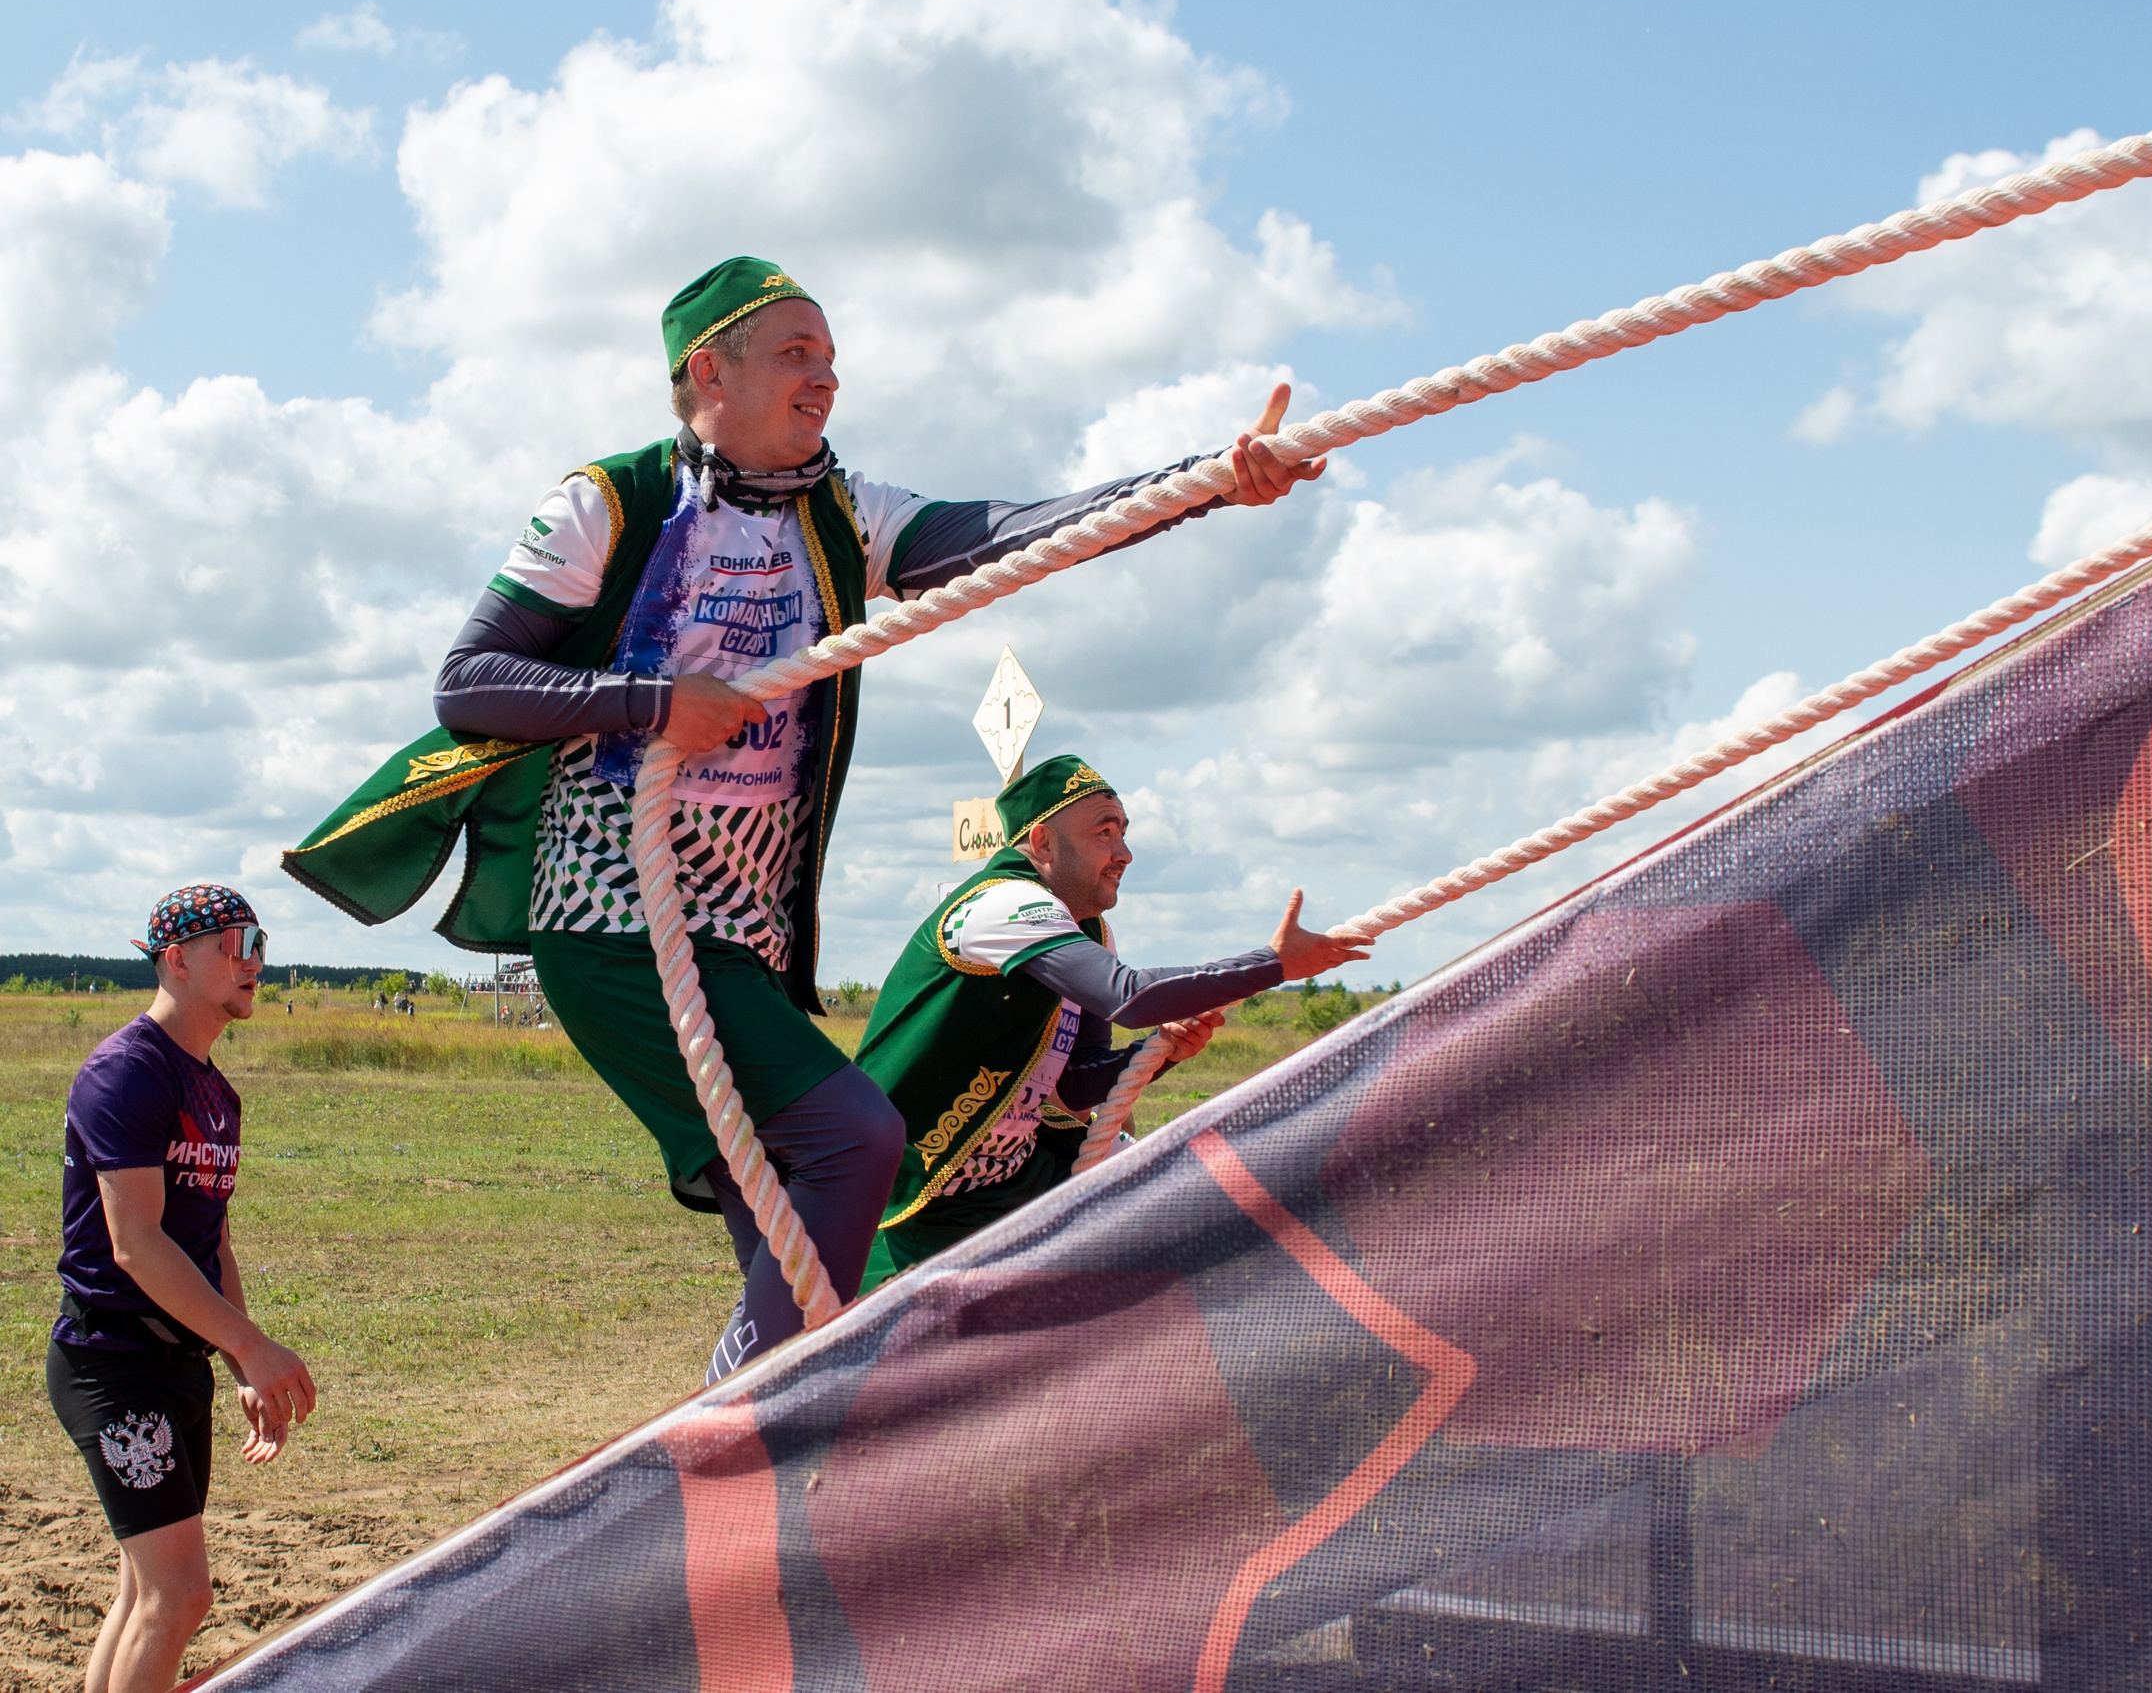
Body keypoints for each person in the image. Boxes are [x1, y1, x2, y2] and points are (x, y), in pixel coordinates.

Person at [283, 257, 1324, 1382]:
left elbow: (1015, 531)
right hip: (617, 921)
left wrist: (1208, 481)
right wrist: (649, 703)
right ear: (706, 372)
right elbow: (469, 681)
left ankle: (766, 1475)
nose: (827, 380)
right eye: (796, 355)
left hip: (749, 937)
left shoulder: (841, 512)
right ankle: (735, 1425)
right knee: (856, 1137)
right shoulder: (608, 501)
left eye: (831, 359)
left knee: (795, 1249)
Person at [855, 755, 1368, 1292]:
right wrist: (1273, 964)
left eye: (1122, 832)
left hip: (1012, 1177)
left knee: (1196, 1207)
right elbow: (1130, 995)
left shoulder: (1090, 932)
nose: (1124, 853)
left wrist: (1159, 1054)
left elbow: (1075, 1082)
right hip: (917, 1192)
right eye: (1104, 832)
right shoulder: (1001, 906)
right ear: (1043, 843)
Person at [47, 886, 316, 1693]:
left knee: (145, 1592)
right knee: (179, 1595)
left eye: (260, 942)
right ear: (177, 958)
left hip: (175, 1368)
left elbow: (211, 1241)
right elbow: (136, 1245)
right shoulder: (127, 1071)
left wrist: (239, 1363)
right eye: (237, 941)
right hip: (114, 1361)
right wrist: (251, 1345)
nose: (255, 961)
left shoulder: (215, 1091)